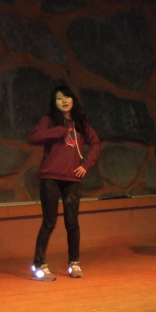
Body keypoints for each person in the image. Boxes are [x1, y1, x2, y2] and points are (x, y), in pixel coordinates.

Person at [29, 85, 101, 280]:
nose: (63, 101)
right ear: (54, 102)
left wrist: (85, 165)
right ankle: (39, 266)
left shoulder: (81, 123)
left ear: (73, 100)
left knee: (72, 223)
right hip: (50, 177)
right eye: (59, 98)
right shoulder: (49, 120)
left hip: (72, 179)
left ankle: (74, 264)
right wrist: (58, 131)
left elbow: (95, 144)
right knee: (49, 222)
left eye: (66, 97)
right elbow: (34, 136)